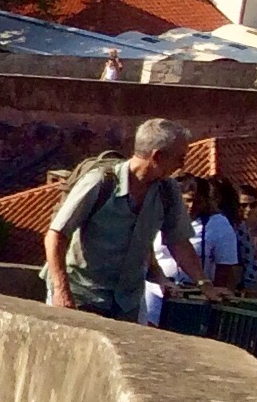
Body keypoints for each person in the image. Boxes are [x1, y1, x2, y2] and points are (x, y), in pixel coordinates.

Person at [45, 119, 194, 320]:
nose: (182, 165)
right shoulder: (100, 182)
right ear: (157, 156)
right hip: (81, 293)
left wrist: (204, 283)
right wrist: (61, 290)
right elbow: (56, 235)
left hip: (126, 302)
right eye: (179, 158)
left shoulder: (167, 191)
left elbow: (179, 242)